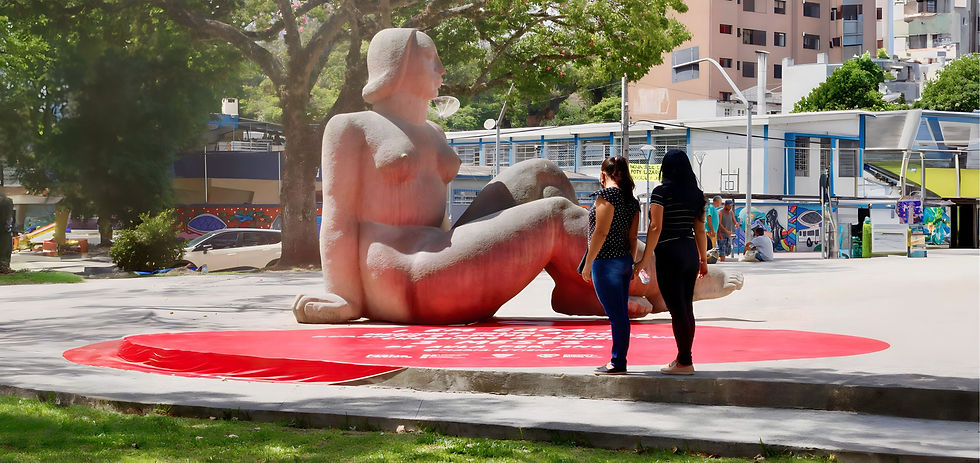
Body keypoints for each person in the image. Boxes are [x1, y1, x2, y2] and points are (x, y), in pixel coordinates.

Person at [634, 150, 708, 376]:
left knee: (677, 310)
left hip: (669, 252)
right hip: (689, 251)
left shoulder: (661, 192)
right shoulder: (697, 195)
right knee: (687, 307)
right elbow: (700, 229)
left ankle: (685, 362)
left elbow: (655, 227)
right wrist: (703, 259)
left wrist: (643, 260)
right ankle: (684, 358)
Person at [581, 156, 640, 375]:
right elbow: (633, 238)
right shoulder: (631, 201)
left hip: (606, 261)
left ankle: (617, 362)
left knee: (616, 316)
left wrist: (588, 264)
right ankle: (619, 359)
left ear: (603, 174)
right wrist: (631, 262)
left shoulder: (606, 195)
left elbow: (601, 232)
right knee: (621, 314)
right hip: (624, 260)